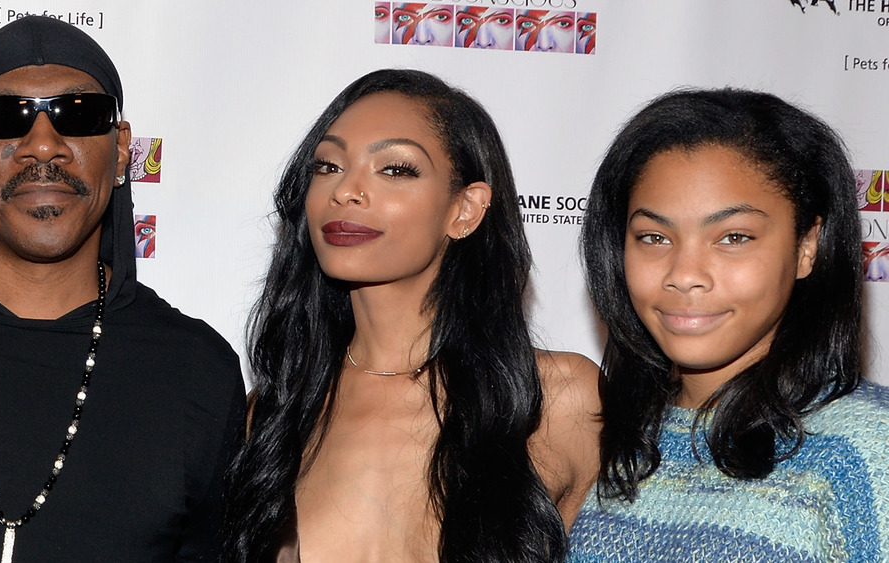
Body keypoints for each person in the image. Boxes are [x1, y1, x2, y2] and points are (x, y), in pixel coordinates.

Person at [0, 16, 245, 562]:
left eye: (78, 115)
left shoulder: (197, 372)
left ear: (122, 147)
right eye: (6, 118)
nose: (43, 145)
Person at [220, 69, 601, 562]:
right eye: (328, 166)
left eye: (396, 169)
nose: (347, 191)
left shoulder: (563, 400)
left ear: (464, 209)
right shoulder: (272, 416)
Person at [570, 88, 889, 560]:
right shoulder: (607, 438)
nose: (684, 275)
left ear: (807, 247)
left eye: (733, 237)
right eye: (654, 237)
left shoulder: (868, 448)